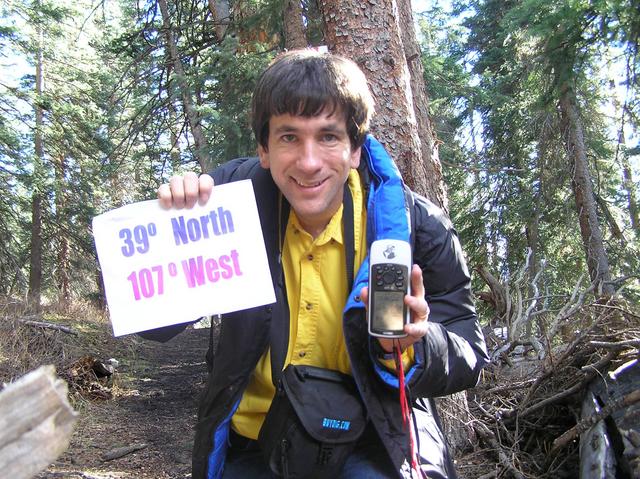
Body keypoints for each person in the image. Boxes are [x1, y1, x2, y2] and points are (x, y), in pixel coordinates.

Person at [148, 49, 488, 479]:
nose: (308, 163)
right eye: (289, 137)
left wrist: (413, 346)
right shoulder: (223, 211)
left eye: (328, 136)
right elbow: (153, 328)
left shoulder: (417, 227)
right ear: (264, 149)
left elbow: (470, 353)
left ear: (355, 150)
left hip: (374, 438)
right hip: (251, 441)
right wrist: (174, 231)